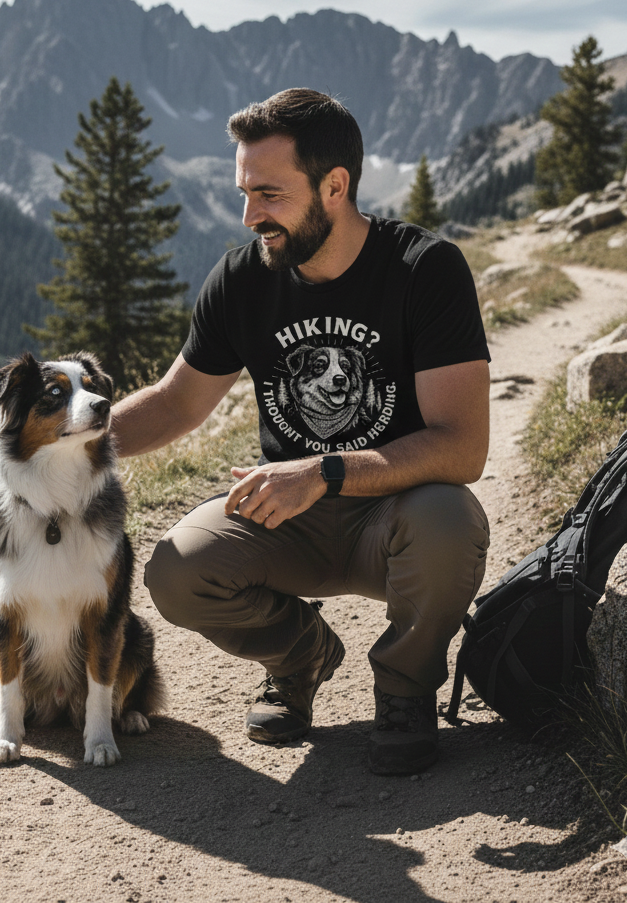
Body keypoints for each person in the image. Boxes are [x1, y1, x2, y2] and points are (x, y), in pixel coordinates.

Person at [111, 88, 490, 775]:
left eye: (270, 195)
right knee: (176, 571)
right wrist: (65, 448)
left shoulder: (424, 270)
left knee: (451, 518)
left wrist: (323, 472)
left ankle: (405, 688)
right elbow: (174, 404)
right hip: (289, 524)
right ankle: (300, 659)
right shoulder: (242, 279)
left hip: (395, 517)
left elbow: (462, 445)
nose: (251, 215)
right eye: (244, 193)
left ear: (335, 186)